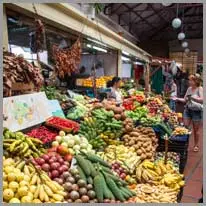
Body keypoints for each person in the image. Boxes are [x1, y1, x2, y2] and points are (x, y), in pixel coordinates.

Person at [174, 74, 203, 152]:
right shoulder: (189, 88)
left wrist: (192, 97)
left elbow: (202, 100)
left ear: (196, 81)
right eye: (189, 80)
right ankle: (185, 144)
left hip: (196, 111)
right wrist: (177, 98)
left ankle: (196, 145)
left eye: (191, 80)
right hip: (187, 109)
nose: (189, 81)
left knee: (196, 130)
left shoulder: (200, 88)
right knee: (185, 127)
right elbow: (185, 100)